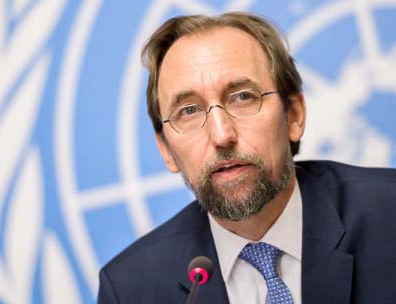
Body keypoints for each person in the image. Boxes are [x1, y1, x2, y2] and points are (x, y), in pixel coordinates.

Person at [97, 12, 396, 304]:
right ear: (165, 149)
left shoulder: (389, 214)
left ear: (293, 115)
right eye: (188, 111)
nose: (221, 135)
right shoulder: (130, 288)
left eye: (243, 97)